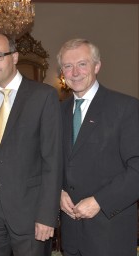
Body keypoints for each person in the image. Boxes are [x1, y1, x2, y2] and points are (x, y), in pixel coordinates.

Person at [0, 33, 63, 256]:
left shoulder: (43, 96)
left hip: (30, 212)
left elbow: (52, 160)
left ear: (15, 57)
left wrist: (47, 215)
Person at [58, 38, 139, 256]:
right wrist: (57, 191)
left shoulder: (126, 108)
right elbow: (50, 161)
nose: (75, 72)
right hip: (71, 233)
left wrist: (100, 202)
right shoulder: (58, 112)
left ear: (97, 66)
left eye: (82, 64)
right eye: (68, 66)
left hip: (110, 233)